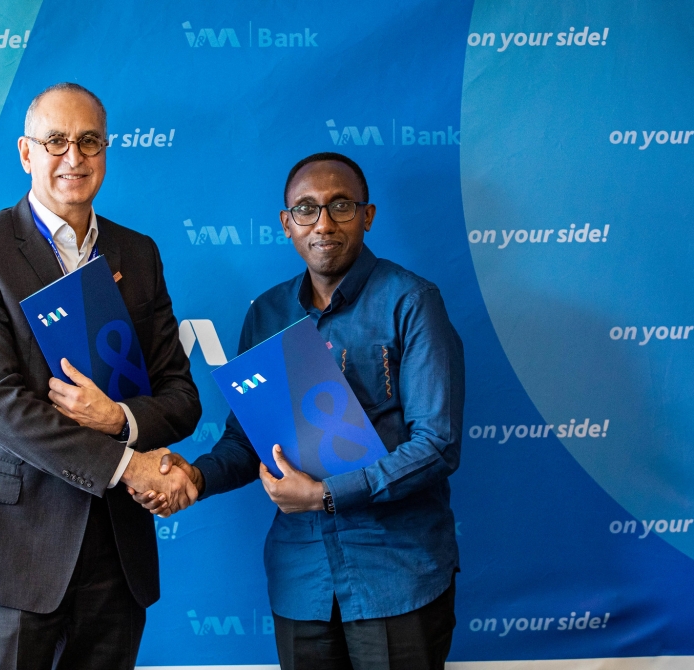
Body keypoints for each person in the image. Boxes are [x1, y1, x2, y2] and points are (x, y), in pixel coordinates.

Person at [129, 152, 465, 670]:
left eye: (341, 206)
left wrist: (326, 496)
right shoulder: (268, 313)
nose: (323, 223)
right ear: (287, 224)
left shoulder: (412, 302)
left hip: (395, 573)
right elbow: (247, 441)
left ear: (367, 216)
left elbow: (437, 445)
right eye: (306, 209)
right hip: (302, 580)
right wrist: (194, 476)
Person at [0, 82, 201, 670]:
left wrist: (119, 418)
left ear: (106, 150)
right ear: (26, 153)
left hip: (116, 549)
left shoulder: (138, 253)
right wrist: (129, 464)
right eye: (55, 141)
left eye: (89, 141)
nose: (74, 156)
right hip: (12, 545)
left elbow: (180, 396)